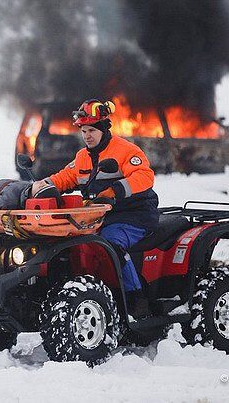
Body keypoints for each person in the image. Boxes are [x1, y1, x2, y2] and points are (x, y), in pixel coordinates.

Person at [30, 99, 160, 318]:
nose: (87, 135)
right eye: (83, 131)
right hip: (98, 217)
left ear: (104, 129)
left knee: (110, 244)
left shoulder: (126, 151)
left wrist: (114, 191)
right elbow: (65, 178)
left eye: (91, 130)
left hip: (133, 217)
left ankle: (136, 298)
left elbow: (145, 177)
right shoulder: (83, 157)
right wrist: (40, 187)